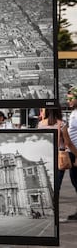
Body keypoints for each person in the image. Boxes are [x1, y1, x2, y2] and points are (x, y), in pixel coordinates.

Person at [61, 87, 77, 220]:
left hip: (76, 152)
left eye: (71, 98)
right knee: (75, 182)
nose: (69, 101)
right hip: (73, 152)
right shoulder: (74, 113)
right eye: (68, 98)